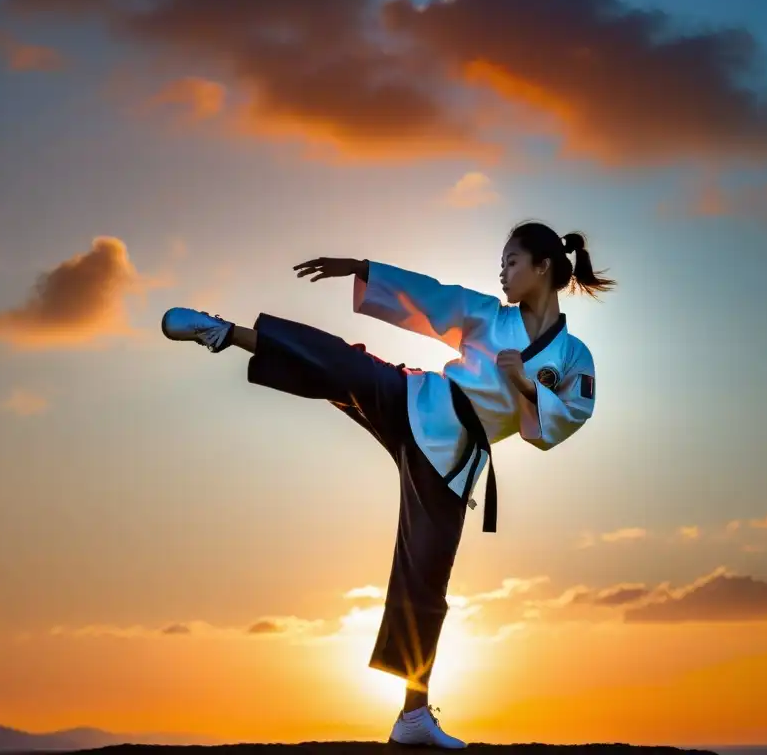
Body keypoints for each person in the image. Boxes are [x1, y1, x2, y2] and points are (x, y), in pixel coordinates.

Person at [160, 220, 615, 748]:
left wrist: (523, 384)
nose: (503, 272)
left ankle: (413, 715)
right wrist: (363, 271)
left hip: (452, 464)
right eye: (501, 262)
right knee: (347, 368)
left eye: (511, 262)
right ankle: (225, 333)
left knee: (425, 581)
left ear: (543, 267)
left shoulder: (573, 356)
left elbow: (565, 421)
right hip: (422, 403)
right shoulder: (489, 317)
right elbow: (433, 298)